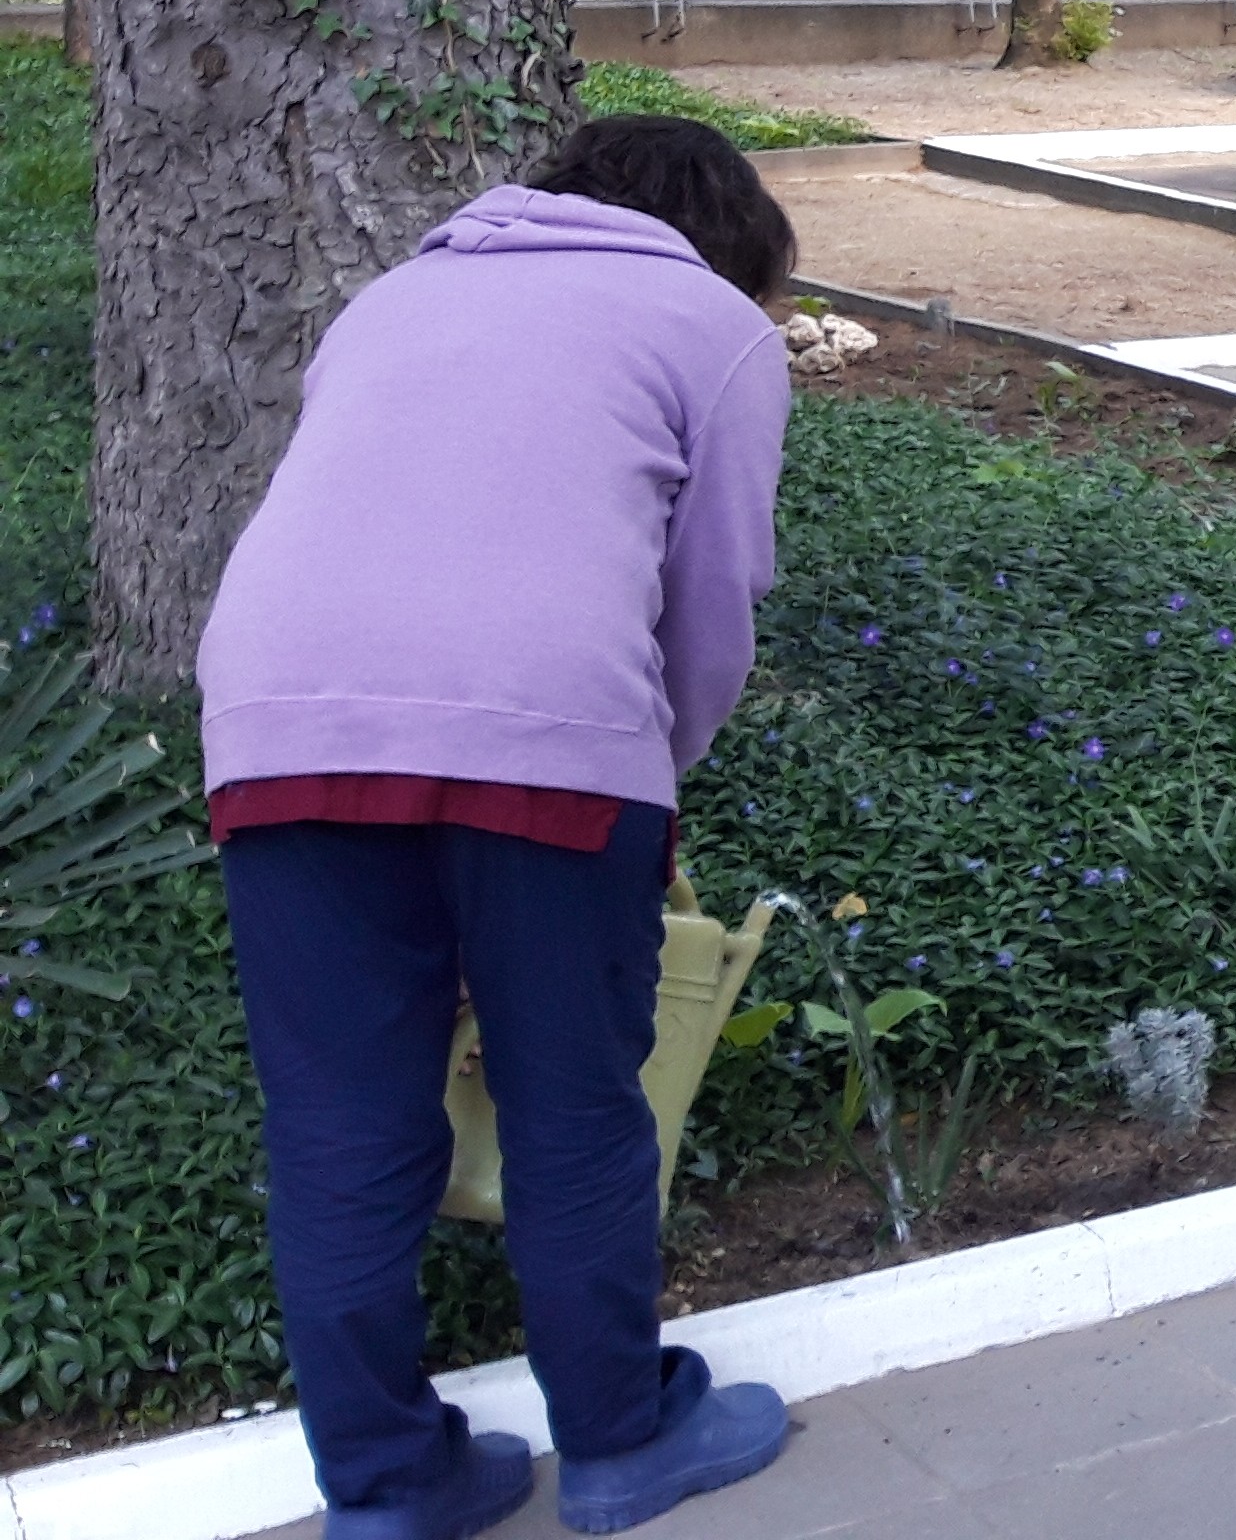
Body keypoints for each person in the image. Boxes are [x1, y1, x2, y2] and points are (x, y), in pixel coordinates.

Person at [198, 116, 802, 1539]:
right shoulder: (711, 323)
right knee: (573, 1104)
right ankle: (616, 1443)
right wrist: (654, 771)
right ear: (732, 240)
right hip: (550, 736)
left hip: (280, 724)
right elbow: (711, 601)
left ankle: (388, 1486)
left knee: (340, 1123)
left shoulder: (395, 294)